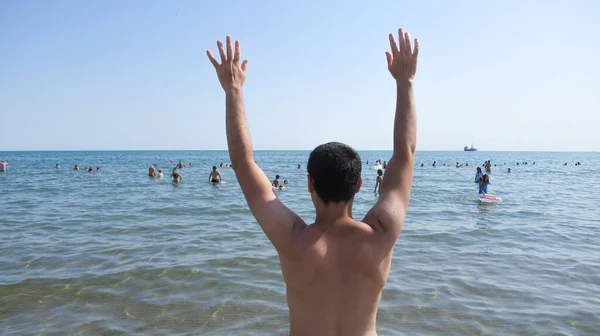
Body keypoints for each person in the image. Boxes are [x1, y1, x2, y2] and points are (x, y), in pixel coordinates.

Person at [206, 28, 418, 334]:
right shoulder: (381, 235)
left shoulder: (293, 240)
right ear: (359, 184)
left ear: (310, 184)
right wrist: (405, 82)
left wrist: (233, 91)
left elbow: (242, 163)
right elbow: (405, 154)